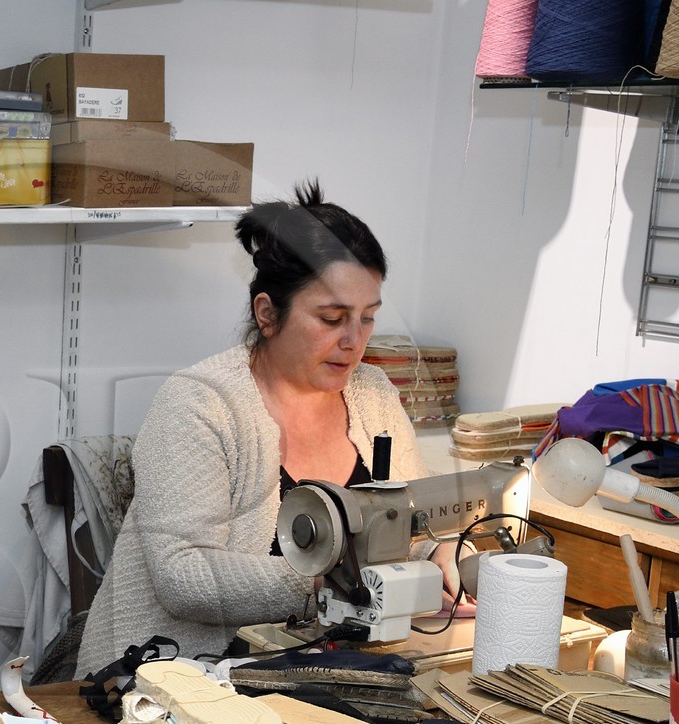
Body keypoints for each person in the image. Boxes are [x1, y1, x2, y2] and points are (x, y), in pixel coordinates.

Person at [76, 181, 452, 675]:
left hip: (316, 671)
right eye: (332, 318)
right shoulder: (199, 403)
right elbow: (184, 577)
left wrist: (448, 556)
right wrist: (327, 586)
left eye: (367, 318)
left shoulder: (374, 395)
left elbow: (412, 524)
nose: (353, 341)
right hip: (166, 676)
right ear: (268, 314)